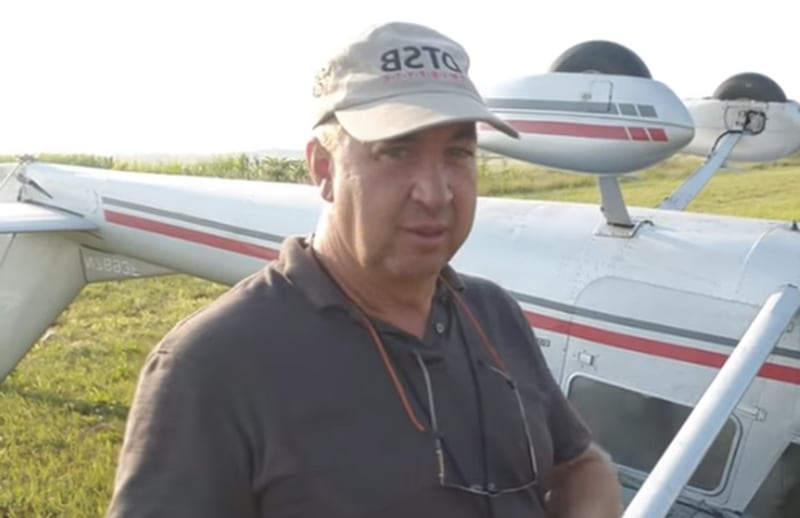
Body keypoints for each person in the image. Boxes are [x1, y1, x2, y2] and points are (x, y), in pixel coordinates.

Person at [106, 20, 623, 518]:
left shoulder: (493, 314)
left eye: (458, 153)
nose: (436, 191)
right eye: (396, 152)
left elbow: (581, 464)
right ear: (323, 169)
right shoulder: (212, 366)